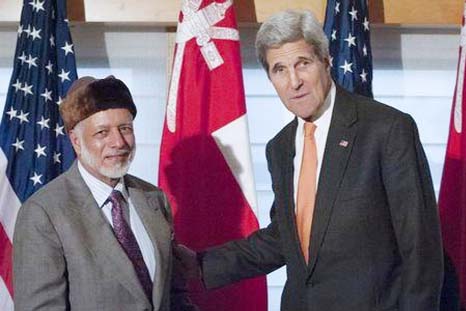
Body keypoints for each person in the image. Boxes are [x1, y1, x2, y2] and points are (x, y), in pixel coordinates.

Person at [176, 9, 444, 310]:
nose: (294, 82)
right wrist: (201, 265)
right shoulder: (279, 148)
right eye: (279, 70)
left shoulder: (386, 129)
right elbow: (283, 239)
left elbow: (421, 249)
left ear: (326, 61)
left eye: (302, 64)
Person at [13, 76, 196, 311]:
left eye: (125, 129)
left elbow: (176, 297)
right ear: (76, 141)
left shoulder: (154, 199)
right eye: (102, 132)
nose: (118, 142)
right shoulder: (43, 213)